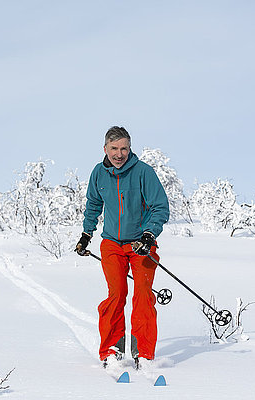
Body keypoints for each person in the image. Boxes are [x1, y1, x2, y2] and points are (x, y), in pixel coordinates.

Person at [75, 126, 170, 369]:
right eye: (114, 149)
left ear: (130, 148)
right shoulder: (98, 173)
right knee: (116, 296)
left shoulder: (143, 172)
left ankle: (144, 354)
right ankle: (111, 350)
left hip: (141, 244)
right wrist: (87, 234)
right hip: (112, 245)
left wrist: (149, 235)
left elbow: (159, 206)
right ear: (105, 149)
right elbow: (93, 204)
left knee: (143, 297)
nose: (119, 154)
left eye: (124, 148)